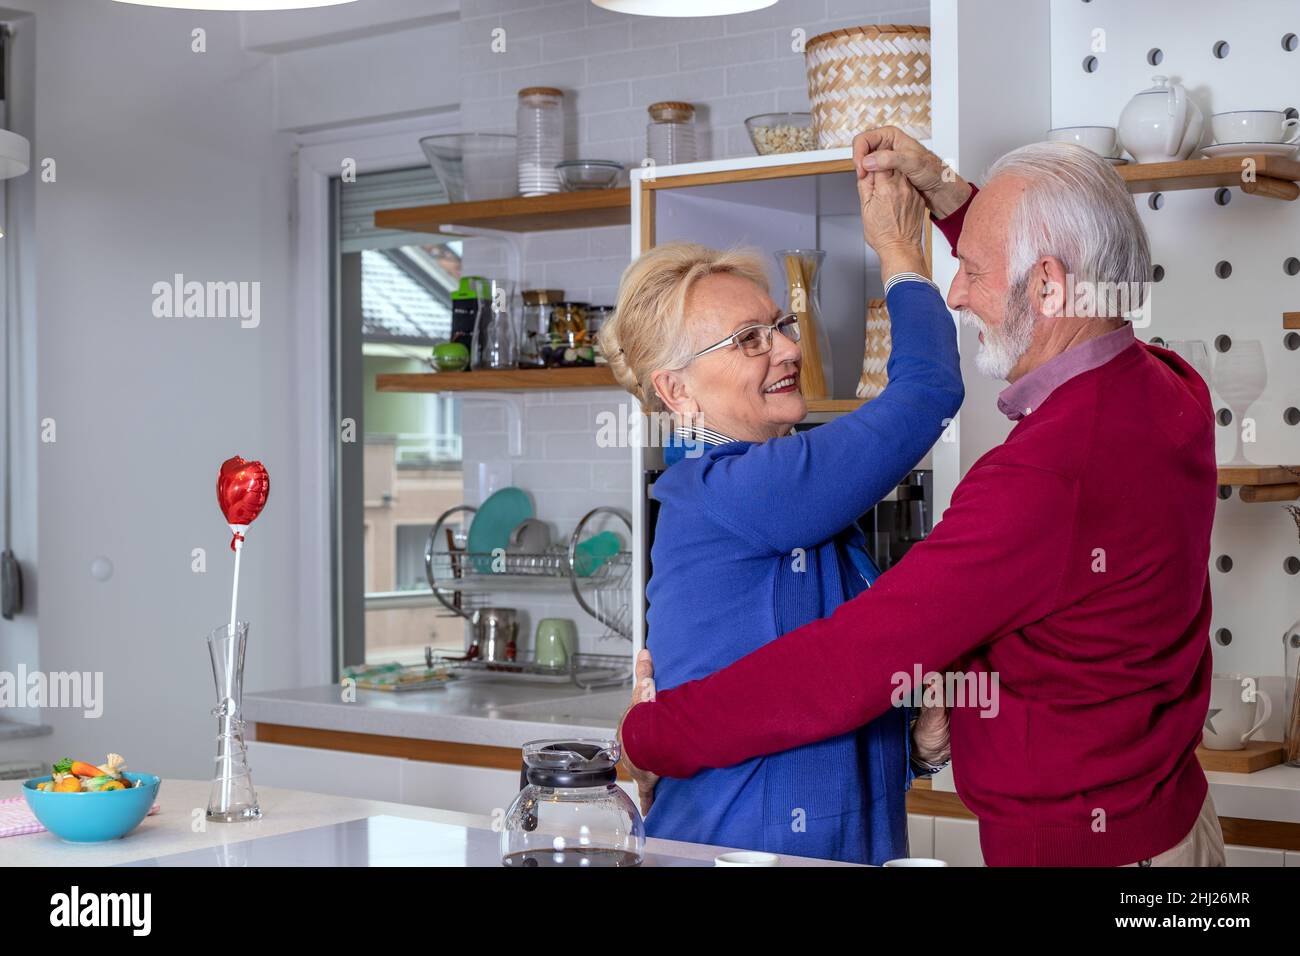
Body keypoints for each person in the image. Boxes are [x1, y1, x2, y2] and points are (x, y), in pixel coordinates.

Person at [619, 129, 1227, 868]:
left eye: (970, 267)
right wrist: (944, 202)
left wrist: (647, 736)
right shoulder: (1170, 389)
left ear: (1047, 287)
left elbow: (848, 665)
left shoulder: (1043, 479)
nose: (958, 290)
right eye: (750, 339)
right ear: (674, 390)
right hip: (1169, 822)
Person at [595, 159, 963, 864]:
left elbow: (821, 697)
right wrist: (902, 252)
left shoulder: (798, 507)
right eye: (749, 340)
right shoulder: (738, 491)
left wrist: (915, 746)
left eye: (780, 325)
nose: (790, 347)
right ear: (677, 391)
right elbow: (929, 390)